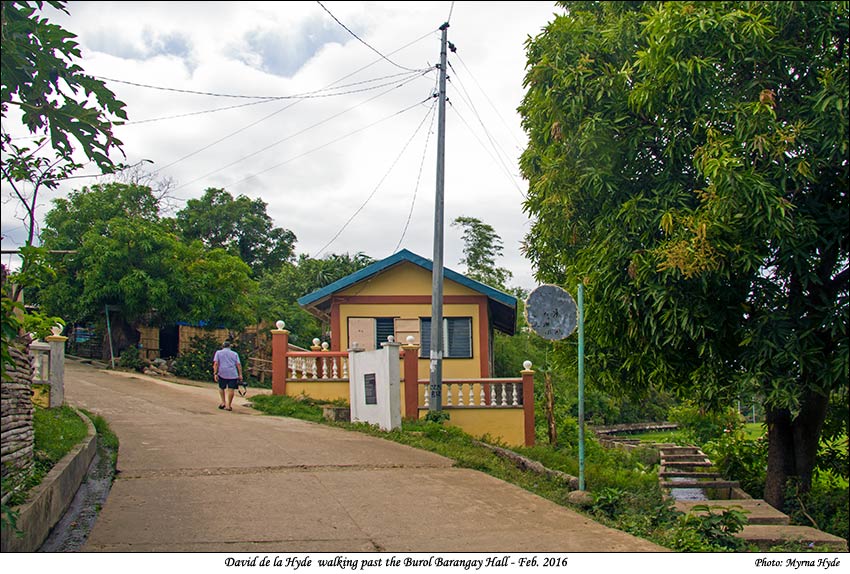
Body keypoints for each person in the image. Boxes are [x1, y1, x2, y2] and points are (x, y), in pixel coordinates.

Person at [213, 340, 243, 411]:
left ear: (222, 346)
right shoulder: (235, 354)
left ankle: (223, 402)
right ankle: (228, 405)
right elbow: (238, 364)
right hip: (232, 374)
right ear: (230, 347)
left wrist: (215, 373)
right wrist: (240, 374)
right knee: (231, 389)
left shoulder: (218, 353)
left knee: (221, 387)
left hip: (222, 373)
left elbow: (216, 363)